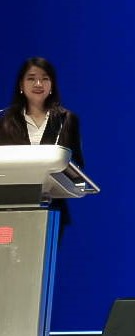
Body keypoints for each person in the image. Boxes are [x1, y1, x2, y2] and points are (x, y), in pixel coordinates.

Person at [0, 57, 85, 236]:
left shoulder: (66, 120)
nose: (38, 84)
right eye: (31, 78)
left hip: (52, 208)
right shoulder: (4, 120)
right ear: (21, 85)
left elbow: (77, 164)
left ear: (51, 85)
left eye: (44, 78)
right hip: (8, 206)